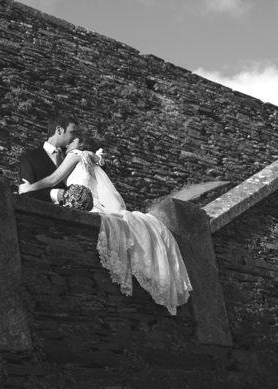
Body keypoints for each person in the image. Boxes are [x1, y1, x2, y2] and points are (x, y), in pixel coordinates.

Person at [18, 134, 192, 316]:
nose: (66, 145)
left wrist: (29, 188)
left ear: (77, 142)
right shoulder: (91, 158)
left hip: (87, 205)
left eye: (70, 141)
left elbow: (53, 179)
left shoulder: (75, 154)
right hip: (94, 204)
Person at [19, 114, 78, 204]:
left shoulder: (73, 155)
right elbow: (26, 195)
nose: (75, 138)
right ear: (59, 130)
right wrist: (55, 194)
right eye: (72, 132)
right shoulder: (29, 158)